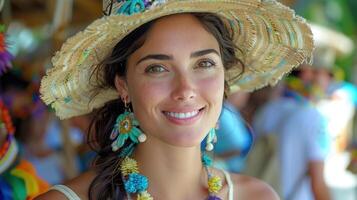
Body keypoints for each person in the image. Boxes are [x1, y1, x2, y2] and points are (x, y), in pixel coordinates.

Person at [36, 0, 313, 199]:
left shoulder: (258, 197)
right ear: (123, 85)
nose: (186, 89)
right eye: (157, 68)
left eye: (204, 63)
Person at [252, 70, 331, 200]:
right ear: (308, 75)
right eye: (328, 74)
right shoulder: (313, 117)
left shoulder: (266, 110)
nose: (328, 82)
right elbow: (317, 183)